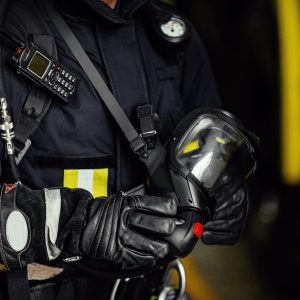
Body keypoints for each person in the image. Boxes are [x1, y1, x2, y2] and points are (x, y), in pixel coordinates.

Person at [0, 0, 249, 299]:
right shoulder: (9, 31)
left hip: (154, 287)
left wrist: (221, 194)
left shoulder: (169, 36)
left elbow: (209, 145)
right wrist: (73, 222)